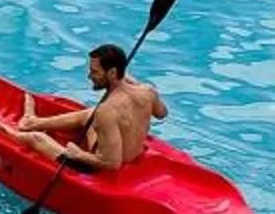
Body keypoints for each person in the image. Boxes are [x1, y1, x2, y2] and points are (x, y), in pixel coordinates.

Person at [13, 43, 168, 174]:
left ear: (113, 73)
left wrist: (78, 154)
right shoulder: (148, 91)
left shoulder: (107, 111)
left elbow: (112, 164)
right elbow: (162, 113)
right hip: (132, 156)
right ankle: (32, 122)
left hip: (101, 169)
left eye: (95, 72)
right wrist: (129, 82)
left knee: (36, 139)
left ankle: (6, 131)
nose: (89, 76)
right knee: (90, 114)